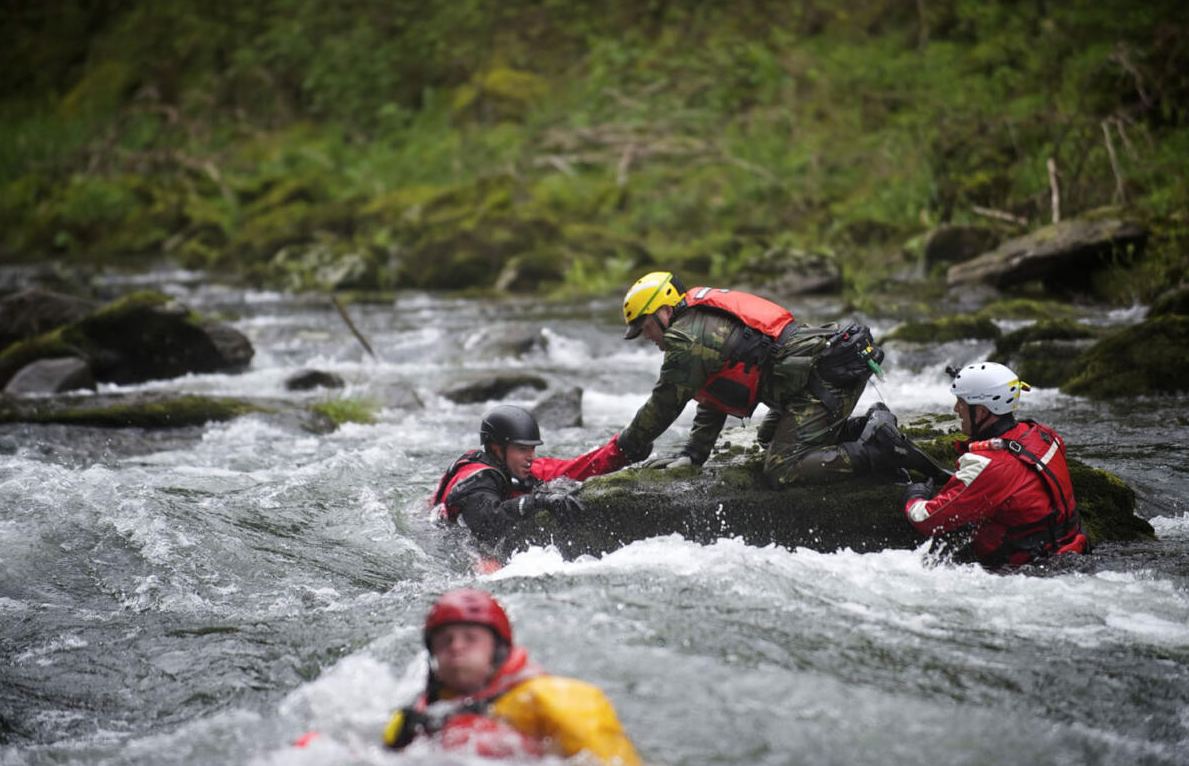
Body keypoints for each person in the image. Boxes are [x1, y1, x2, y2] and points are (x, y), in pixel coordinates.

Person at [616, 271, 929, 487]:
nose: (646, 337)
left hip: (826, 381)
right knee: (768, 437)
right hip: (806, 383)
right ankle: (869, 427)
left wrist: (625, 447)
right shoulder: (695, 325)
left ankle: (880, 451)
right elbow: (714, 393)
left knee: (782, 468)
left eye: (645, 328)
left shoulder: (688, 340)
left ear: (665, 312)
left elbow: (664, 404)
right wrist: (694, 454)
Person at [383, 588, 644, 766]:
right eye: (444, 641)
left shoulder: (557, 698)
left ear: (498, 649)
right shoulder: (421, 715)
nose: (456, 647)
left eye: (470, 638)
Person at [900, 362, 1091, 567]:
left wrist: (914, 496)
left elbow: (927, 520)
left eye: (961, 402)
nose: (956, 409)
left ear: (982, 412)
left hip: (1028, 573)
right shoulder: (1044, 434)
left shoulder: (988, 466)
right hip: (1073, 551)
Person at [433, 404, 629, 542]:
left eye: (532, 449)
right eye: (522, 449)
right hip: (446, 540)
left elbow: (576, 468)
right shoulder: (477, 479)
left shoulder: (517, 467)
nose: (530, 457)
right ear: (496, 448)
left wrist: (623, 449)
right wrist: (537, 501)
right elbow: (488, 524)